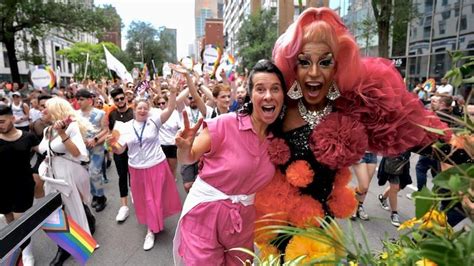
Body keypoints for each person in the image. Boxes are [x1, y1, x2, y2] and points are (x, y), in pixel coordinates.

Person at [256, 7, 451, 256]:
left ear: (338, 65)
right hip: (277, 230)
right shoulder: (278, 106)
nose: (314, 72)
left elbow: (411, 131)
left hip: (321, 235)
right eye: (304, 62)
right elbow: (237, 134)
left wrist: (454, 147)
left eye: (325, 62)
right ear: (293, 65)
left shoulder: (349, 105)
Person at [173, 60, 285, 265]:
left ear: (283, 96)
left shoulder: (279, 140)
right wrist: (184, 147)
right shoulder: (225, 123)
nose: (268, 95)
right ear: (251, 95)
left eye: (275, 89)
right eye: (260, 89)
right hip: (204, 216)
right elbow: (188, 158)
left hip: (243, 223)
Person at [108, 86, 181, 251]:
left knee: (153, 199)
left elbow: (170, 108)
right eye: (139, 108)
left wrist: (173, 92)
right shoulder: (125, 127)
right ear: (134, 109)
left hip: (156, 165)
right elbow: (120, 150)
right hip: (136, 169)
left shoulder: (154, 121)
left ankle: (151, 230)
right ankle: (154, 223)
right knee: (144, 200)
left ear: (149, 110)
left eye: (145, 108)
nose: (142, 110)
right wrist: (112, 145)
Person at [37, 97, 96, 265]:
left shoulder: (71, 127)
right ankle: (65, 244)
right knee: (54, 209)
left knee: (72, 206)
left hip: (69, 172)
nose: (42, 111)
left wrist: (62, 134)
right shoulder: (47, 130)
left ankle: (75, 243)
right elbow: (43, 149)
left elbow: (77, 153)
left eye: (45, 108)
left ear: (56, 110)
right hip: (51, 173)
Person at [0, 105, 39, 266]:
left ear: (12, 119)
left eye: (2, 121)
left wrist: (37, 171)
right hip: (1, 188)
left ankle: (27, 253)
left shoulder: (28, 137)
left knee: (20, 220)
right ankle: (18, 246)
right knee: (9, 219)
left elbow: (43, 152)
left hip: (23, 185)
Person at [76, 89, 108, 212]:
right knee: (86, 174)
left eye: (81, 99)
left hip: (97, 148)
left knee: (95, 172)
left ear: (89, 100)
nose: (79, 102)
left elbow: (105, 130)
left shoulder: (100, 113)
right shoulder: (75, 114)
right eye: (77, 99)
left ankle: (101, 197)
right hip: (81, 149)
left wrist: (95, 139)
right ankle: (95, 195)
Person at [108, 88, 134, 222]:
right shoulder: (111, 114)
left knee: (134, 175)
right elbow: (110, 131)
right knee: (122, 176)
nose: (120, 101)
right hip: (119, 151)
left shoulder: (134, 112)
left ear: (126, 98)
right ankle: (124, 207)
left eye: (121, 98)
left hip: (134, 150)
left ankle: (134, 193)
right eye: (116, 100)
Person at [153, 94, 181, 178]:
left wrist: (177, 136)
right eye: (159, 104)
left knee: (172, 168)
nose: (161, 105)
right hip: (160, 145)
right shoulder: (155, 112)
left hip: (172, 145)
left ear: (167, 103)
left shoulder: (175, 113)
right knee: (162, 169)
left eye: (163, 103)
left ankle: (172, 185)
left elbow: (180, 127)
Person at [351, 151, 377, 220]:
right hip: (359, 153)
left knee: (366, 186)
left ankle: (359, 206)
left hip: (372, 155)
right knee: (364, 185)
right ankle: (352, 202)